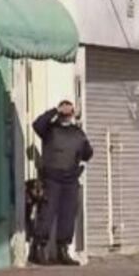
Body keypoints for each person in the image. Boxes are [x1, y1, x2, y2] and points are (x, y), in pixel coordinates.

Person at [30, 101, 93, 266]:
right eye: (63, 112)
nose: (66, 115)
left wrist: (83, 148)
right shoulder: (50, 130)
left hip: (70, 179)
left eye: (68, 112)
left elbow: (88, 153)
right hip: (52, 178)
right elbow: (37, 124)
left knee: (67, 215)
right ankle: (38, 249)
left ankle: (62, 250)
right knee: (47, 213)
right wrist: (54, 111)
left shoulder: (77, 132)